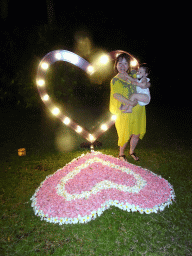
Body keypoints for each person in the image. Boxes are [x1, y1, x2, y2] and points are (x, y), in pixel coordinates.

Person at [109, 53, 150, 161]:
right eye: (120, 63)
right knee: (125, 134)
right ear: (116, 65)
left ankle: (132, 151)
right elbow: (116, 95)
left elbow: (145, 78)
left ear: (129, 65)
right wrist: (130, 103)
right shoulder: (115, 80)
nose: (122, 66)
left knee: (136, 134)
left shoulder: (133, 73)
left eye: (125, 63)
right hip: (125, 111)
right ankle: (121, 154)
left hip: (138, 110)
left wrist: (147, 85)